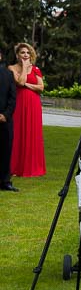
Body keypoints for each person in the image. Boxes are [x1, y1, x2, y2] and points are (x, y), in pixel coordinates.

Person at [9, 42, 46, 177]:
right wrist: (24, 68)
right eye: (22, 52)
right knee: (17, 133)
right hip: (18, 103)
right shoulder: (12, 68)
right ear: (17, 55)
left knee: (32, 132)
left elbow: (41, 88)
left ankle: (31, 167)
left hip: (33, 105)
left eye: (27, 53)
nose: (25, 55)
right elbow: (19, 82)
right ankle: (14, 167)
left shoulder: (36, 69)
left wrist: (26, 84)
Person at [0, 45, 17, 190]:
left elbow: (13, 97)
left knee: (6, 151)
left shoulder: (8, 75)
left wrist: (5, 115)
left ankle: (5, 182)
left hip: (5, 119)